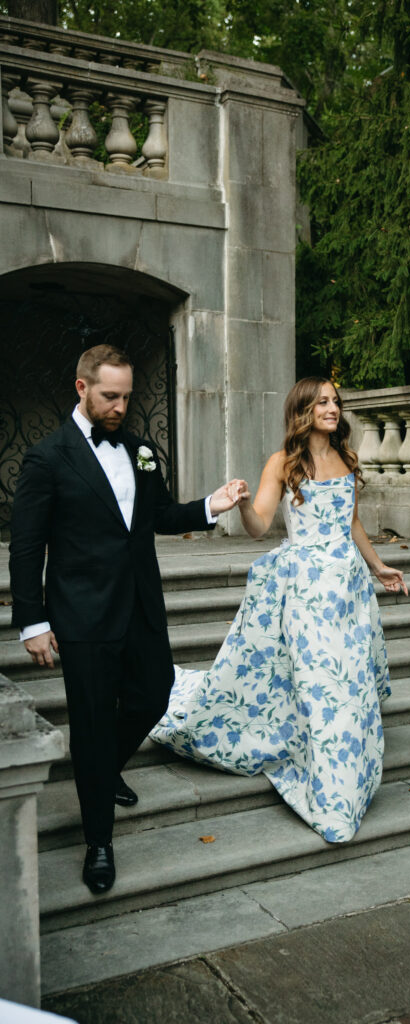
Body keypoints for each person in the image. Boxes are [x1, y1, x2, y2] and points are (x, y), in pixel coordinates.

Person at [9, 344, 241, 895]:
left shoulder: (140, 450)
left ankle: (104, 765)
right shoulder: (47, 458)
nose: (120, 406)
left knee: (154, 693)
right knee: (89, 723)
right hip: (82, 615)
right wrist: (32, 622)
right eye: (110, 396)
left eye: (127, 396)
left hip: (140, 606)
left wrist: (211, 504)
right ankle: (98, 842)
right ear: (81, 387)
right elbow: (25, 547)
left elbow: (159, 515)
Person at [151, 377, 407, 842]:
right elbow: (259, 527)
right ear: (303, 411)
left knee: (349, 684)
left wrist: (378, 566)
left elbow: (350, 522)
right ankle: (332, 796)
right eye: (323, 402)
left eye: (335, 402)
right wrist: (243, 506)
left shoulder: (347, 459)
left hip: (348, 591)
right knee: (319, 685)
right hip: (306, 591)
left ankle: (349, 775)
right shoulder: (283, 464)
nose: (333, 408)